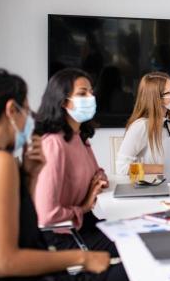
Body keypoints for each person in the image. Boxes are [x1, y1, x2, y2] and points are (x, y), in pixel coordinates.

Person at [0, 69, 139, 281]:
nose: (30, 119)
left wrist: (30, 176)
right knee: (142, 276)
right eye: (26, 110)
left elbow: (19, 225)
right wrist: (83, 258)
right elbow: (5, 261)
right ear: (11, 110)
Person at [34, 68, 116, 255]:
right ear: (63, 102)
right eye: (82, 93)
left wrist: (98, 181)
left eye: (91, 92)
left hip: (85, 225)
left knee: (140, 234)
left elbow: (97, 172)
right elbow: (46, 215)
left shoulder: (79, 136)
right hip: (65, 237)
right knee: (137, 246)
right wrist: (84, 206)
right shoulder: (53, 144)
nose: (91, 97)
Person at [115, 71, 170, 175]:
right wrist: (161, 169)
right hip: (154, 185)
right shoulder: (141, 126)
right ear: (157, 98)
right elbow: (122, 168)